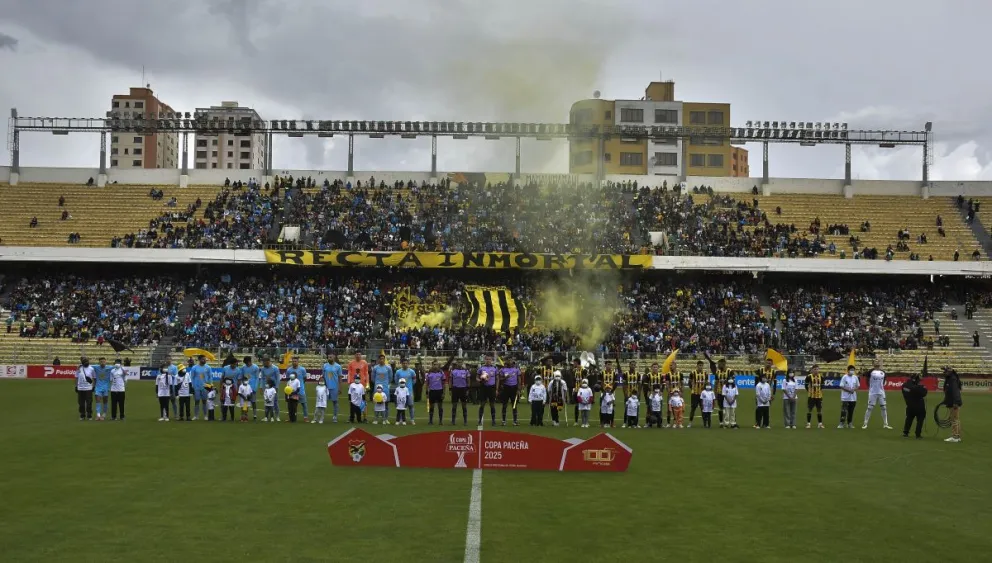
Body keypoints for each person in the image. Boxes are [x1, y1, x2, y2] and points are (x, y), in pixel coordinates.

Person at [863, 359, 892, 430]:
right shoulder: (870, 371)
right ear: (873, 363)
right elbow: (865, 378)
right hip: (873, 392)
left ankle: (885, 424)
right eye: (875, 361)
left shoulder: (883, 372)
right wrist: (870, 387)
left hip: (881, 392)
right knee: (870, 408)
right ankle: (865, 423)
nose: (877, 362)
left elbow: (884, 381)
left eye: (878, 361)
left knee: (884, 407)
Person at [901, 374, 928, 439]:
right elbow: (924, 393)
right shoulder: (918, 387)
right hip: (919, 406)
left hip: (909, 405)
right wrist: (923, 387)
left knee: (909, 419)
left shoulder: (904, 385)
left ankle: (905, 432)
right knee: (920, 420)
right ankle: (918, 434)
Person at [498, 358, 521, 426]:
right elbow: (500, 379)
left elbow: (519, 379)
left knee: (514, 405)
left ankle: (515, 421)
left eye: (511, 360)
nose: (510, 362)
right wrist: (505, 377)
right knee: (504, 405)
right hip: (506, 388)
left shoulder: (516, 369)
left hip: (514, 388)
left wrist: (518, 389)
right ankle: (503, 421)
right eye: (508, 360)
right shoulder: (503, 370)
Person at [371, 355, 394, 422]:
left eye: (383, 359)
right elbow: (372, 378)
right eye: (380, 359)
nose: (381, 360)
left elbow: (390, 378)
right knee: (377, 404)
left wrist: (386, 383)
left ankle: (386, 419)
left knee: (386, 403)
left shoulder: (388, 368)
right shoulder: (375, 368)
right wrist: (377, 384)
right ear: (378, 360)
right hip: (377, 388)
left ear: (384, 360)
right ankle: (376, 419)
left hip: (385, 388)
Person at [189, 356, 213, 421]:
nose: (204, 360)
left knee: (204, 401)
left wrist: (210, 386)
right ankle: (196, 416)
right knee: (196, 401)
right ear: (199, 360)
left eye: (205, 359)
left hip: (205, 387)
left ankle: (205, 415)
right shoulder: (194, 367)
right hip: (196, 386)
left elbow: (210, 377)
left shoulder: (208, 367)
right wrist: (193, 386)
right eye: (203, 359)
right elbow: (192, 377)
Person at [942, 368, 963, 443]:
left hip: (954, 403)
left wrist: (956, 402)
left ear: (949, 372)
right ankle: (957, 436)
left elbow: (955, 391)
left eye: (945, 372)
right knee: (956, 419)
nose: (944, 373)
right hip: (952, 402)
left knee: (954, 419)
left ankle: (955, 436)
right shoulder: (951, 378)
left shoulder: (952, 380)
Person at [347, 353, 370, 421]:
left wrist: (367, 384)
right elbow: (349, 373)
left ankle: (365, 417)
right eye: (356, 354)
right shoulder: (351, 363)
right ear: (354, 355)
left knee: (363, 401)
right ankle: (352, 416)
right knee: (352, 401)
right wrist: (349, 383)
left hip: (362, 385)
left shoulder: (364, 363)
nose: (358, 355)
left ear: (361, 355)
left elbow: (366, 373)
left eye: (359, 354)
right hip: (353, 385)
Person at [286, 358, 310, 423]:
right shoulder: (289, 370)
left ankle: (305, 417)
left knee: (304, 404)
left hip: (301, 390)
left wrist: (300, 385)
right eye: (293, 361)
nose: (294, 362)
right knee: (291, 405)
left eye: (295, 361)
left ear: (298, 362)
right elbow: (288, 379)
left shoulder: (302, 369)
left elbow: (305, 378)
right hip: (292, 391)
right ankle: (290, 417)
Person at [477, 355, 498, 427]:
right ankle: (479, 420)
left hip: (491, 388)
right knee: (482, 404)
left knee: (492, 405)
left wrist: (497, 389)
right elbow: (477, 377)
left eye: (490, 359)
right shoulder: (481, 368)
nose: (488, 360)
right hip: (483, 388)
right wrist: (480, 380)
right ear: (485, 360)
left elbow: (497, 379)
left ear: (491, 360)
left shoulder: (494, 368)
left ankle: (493, 421)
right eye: (487, 359)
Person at [395, 358, 417, 425]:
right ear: (401, 364)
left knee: (411, 405)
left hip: (409, 391)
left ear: (408, 364)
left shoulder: (411, 371)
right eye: (403, 363)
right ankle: (401, 419)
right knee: (401, 406)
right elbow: (396, 381)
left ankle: (412, 419)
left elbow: (414, 380)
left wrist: (409, 386)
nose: (405, 364)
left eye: (406, 363)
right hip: (401, 392)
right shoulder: (398, 372)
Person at [322, 354, 343, 423]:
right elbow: (323, 376)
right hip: (326, 387)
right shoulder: (325, 365)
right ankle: (322, 416)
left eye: (330, 357)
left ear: (334, 357)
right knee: (323, 402)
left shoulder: (338, 366)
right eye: (328, 357)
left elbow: (340, 378)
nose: (329, 358)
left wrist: (340, 388)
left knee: (335, 402)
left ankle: (335, 416)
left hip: (334, 387)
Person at [449, 359, 470, 425]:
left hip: (463, 389)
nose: (460, 364)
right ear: (457, 363)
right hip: (455, 389)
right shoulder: (453, 371)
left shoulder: (466, 371)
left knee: (464, 405)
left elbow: (468, 380)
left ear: (462, 363)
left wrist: (467, 389)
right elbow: (450, 380)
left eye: (461, 362)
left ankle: (465, 421)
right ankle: (453, 420)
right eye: (458, 362)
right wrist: (450, 389)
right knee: (454, 405)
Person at [260, 357, 282, 422]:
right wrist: (261, 387)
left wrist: (277, 387)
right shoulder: (263, 369)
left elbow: (278, 378)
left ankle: (277, 416)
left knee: (275, 401)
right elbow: (262, 378)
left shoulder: (275, 368)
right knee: (266, 401)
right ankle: (266, 417)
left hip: (273, 387)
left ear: (268, 361)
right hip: (266, 387)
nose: (263, 363)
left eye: (264, 362)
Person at [75, 357, 96, 421]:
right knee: (81, 403)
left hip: (88, 388)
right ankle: (82, 415)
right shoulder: (79, 368)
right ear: (82, 363)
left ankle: (89, 415)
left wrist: (93, 386)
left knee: (89, 402)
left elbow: (94, 378)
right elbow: (76, 377)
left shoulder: (91, 369)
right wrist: (76, 386)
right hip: (80, 388)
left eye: (87, 362)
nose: (86, 363)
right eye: (85, 362)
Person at [688, 361, 708, 428]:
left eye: (702, 365)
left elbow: (706, 383)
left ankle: (705, 423)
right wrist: (692, 389)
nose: (700, 367)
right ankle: (690, 422)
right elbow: (689, 382)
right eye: (699, 365)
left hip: (702, 394)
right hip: (694, 394)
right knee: (693, 408)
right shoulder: (693, 373)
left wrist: (704, 390)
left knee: (703, 408)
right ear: (697, 366)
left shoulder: (705, 373)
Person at [805, 364, 825, 429]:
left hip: (819, 396)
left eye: (817, 369)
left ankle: (820, 424)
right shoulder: (809, 377)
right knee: (809, 410)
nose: (816, 370)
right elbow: (806, 385)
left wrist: (819, 391)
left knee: (819, 410)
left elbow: (822, 385)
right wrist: (809, 391)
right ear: (812, 370)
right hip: (811, 396)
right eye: (815, 369)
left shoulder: (821, 377)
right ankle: (808, 424)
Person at [242, 356, 261, 421]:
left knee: (253, 401)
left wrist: (255, 388)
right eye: (245, 363)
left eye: (247, 363)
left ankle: (255, 415)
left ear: (250, 361)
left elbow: (257, 378)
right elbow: (242, 377)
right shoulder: (243, 367)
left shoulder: (256, 367)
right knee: (245, 401)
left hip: (252, 387)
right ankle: (245, 415)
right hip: (245, 387)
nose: (246, 364)